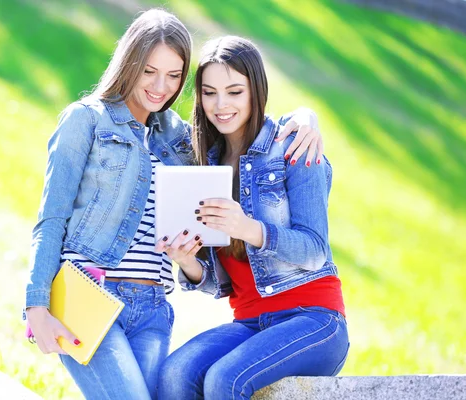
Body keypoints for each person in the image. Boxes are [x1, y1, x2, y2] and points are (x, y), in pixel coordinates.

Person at [24, 9, 324, 400]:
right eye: (149, 71)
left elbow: (242, 131)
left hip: (152, 309)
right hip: (90, 294)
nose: (160, 86)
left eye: (174, 75)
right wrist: (36, 306)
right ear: (128, 62)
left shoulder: (180, 140)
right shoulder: (87, 121)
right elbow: (52, 217)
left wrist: (305, 118)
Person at [156, 36, 349, 400]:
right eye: (209, 93)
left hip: (314, 320)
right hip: (249, 323)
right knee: (174, 374)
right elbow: (220, 284)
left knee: (224, 380)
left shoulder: (294, 147)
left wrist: (247, 227)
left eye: (234, 92)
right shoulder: (206, 165)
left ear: (255, 91)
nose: (221, 104)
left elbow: (314, 250)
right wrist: (188, 264)